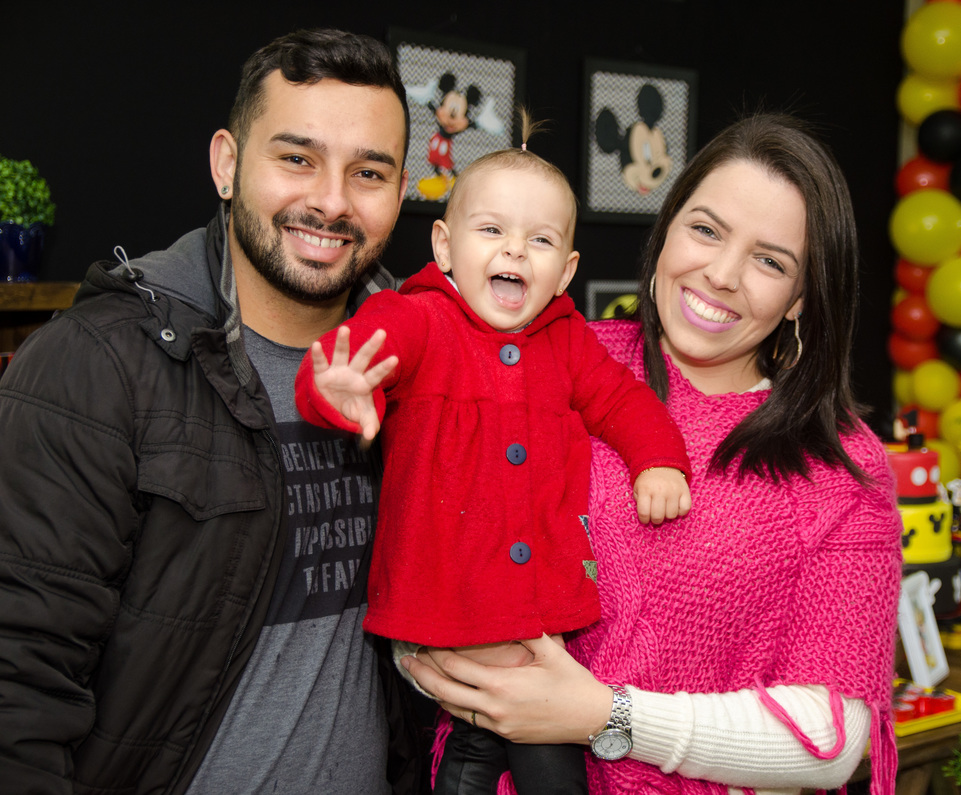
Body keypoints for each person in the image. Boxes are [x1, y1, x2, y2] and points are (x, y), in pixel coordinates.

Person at [400, 113, 904, 795]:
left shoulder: (838, 466)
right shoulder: (551, 358)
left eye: (770, 261)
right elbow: (426, 511)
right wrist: (432, 658)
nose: (721, 274)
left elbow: (830, 741)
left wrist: (605, 716)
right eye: (706, 230)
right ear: (666, 229)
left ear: (801, 297)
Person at [0, 28, 431, 794]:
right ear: (227, 165)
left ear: (401, 193)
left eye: (368, 172)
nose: (331, 201)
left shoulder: (423, 369)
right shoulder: (98, 364)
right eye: (297, 158)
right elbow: (18, 678)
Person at [293, 116, 694, 795]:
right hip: (444, 596)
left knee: (495, 739)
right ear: (444, 246)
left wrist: (658, 460)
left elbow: (624, 401)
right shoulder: (419, 317)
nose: (515, 249)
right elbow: (353, 354)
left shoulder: (567, 341)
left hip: (530, 607)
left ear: (566, 271)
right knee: (532, 736)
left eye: (540, 240)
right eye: (491, 230)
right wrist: (340, 387)